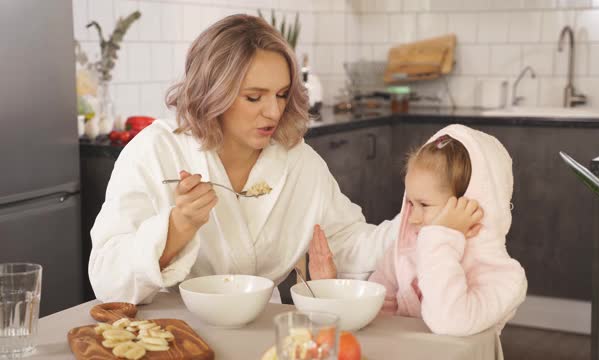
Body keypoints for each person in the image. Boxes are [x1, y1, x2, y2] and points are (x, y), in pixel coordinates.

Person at [88, 14, 399, 304]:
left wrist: (415, 227)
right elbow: (107, 278)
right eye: (254, 97)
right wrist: (176, 228)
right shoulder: (156, 152)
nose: (274, 112)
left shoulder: (297, 160)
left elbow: (344, 241)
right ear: (213, 92)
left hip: (262, 337)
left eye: (281, 94)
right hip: (170, 337)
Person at [310, 124, 527, 336]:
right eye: (410, 204)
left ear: (471, 204)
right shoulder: (402, 256)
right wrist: (329, 289)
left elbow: (449, 321)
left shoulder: (506, 279)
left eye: (424, 205)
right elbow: (373, 323)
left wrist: (441, 236)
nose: (412, 217)